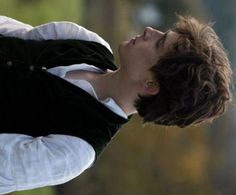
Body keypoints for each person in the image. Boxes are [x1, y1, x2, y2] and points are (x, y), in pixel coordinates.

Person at [0, 15, 232, 193]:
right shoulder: (88, 42)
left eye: (158, 43)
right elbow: (8, 30)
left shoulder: (77, 148)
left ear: (152, 84)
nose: (149, 31)